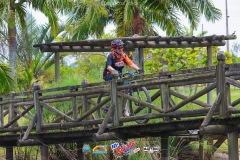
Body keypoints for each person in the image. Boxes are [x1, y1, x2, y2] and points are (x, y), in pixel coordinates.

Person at [102, 39, 143, 116]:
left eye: (122, 47)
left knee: (125, 88)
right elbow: (108, 67)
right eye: (119, 48)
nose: (121, 49)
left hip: (119, 75)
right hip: (109, 75)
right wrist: (115, 72)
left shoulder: (123, 56)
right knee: (120, 86)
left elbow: (130, 63)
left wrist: (138, 69)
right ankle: (113, 104)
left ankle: (124, 109)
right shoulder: (111, 56)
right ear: (114, 49)